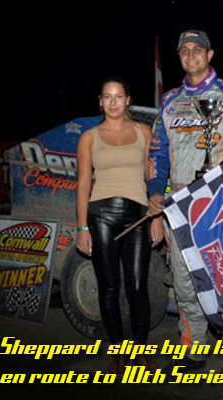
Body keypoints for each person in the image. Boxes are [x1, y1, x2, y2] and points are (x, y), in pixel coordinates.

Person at [145, 29, 223, 375]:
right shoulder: (170, 101)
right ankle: (193, 345)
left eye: (198, 49)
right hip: (180, 206)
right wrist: (155, 191)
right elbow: (157, 153)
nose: (191, 55)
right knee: (185, 280)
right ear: (179, 57)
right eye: (184, 51)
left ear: (210, 55)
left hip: (221, 204)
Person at [75, 76, 163, 374]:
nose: (113, 102)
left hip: (138, 215)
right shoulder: (89, 137)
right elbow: (83, 185)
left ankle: (140, 353)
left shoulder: (143, 132)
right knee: (109, 287)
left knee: (137, 286)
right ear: (100, 102)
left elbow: (154, 179)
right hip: (100, 216)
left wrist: (156, 219)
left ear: (128, 100)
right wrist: (81, 228)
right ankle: (119, 353)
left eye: (118, 96)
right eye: (107, 96)